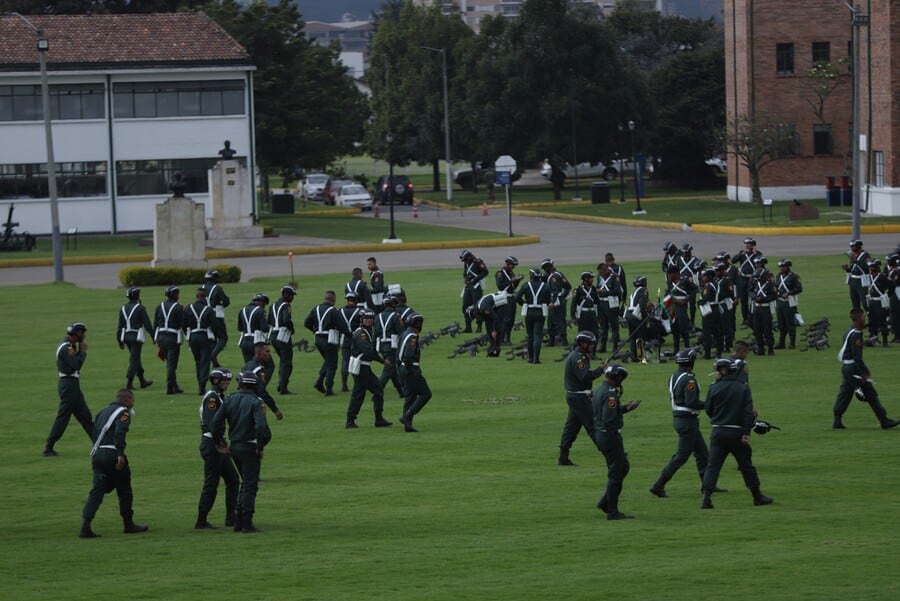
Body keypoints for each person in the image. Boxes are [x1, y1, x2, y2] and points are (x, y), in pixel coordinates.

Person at [700, 358, 773, 510]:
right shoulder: (743, 387)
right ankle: (757, 496)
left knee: (713, 466)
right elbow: (748, 412)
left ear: (724, 371)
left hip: (718, 431)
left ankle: (706, 498)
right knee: (746, 466)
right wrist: (746, 432)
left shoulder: (714, 387)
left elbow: (708, 409)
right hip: (737, 432)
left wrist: (718, 418)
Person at [79, 388, 149, 538]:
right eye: (132, 400)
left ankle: (85, 525)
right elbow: (119, 433)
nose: (133, 403)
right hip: (112, 454)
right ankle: (128, 524)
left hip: (97, 455)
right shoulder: (123, 413)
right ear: (126, 400)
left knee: (97, 491)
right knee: (124, 489)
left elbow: (94, 431)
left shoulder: (102, 412)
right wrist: (120, 454)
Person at [211, 371, 272, 533]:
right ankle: (247, 522)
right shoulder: (256, 402)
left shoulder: (230, 399)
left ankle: (238, 520)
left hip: (235, 446)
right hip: (250, 447)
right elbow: (261, 428)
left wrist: (220, 443)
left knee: (245, 483)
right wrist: (260, 446)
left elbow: (215, 423)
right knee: (250, 485)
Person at [649, 348, 711, 498]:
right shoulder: (689, 379)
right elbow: (691, 402)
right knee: (682, 456)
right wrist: (709, 404)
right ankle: (659, 484)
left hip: (681, 419)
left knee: (703, 454)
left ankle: (708, 485)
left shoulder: (674, 376)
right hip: (687, 420)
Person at [832, 308, 900, 430]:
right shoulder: (857, 334)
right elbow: (857, 357)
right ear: (857, 319)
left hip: (847, 367)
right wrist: (865, 372)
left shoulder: (849, 330)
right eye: (863, 317)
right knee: (871, 394)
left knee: (845, 393)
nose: (865, 319)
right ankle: (884, 420)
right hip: (853, 368)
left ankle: (837, 420)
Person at [592, 364, 641, 520]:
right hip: (609, 436)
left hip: (601, 434)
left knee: (623, 467)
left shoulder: (600, 389)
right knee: (617, 472)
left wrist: (625, 408)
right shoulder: (611, 394)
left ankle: (605, 501)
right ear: (617, 377)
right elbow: (609, 417)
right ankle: (612, 510)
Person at [196, 368, 239, 529]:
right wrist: (220, 444)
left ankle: (230, 517)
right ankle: (201, 520)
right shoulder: (212, 398)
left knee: (233, 480)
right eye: (224, 381)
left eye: (228, 381)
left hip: (216, 443)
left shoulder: (219, 396)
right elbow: (211, 423)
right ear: (215, 381)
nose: (227, 383)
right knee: (211, 483)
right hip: (212, 444)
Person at [44, 322, 93, 457]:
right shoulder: (67, 348)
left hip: (71, 385)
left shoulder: (69, 346)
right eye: (83, 332)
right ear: (77, 333)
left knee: (85, 416)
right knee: (63, 418)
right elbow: (76, 365)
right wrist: (83, 352)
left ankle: (99, 443)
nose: (84, 335)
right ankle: (48, 447)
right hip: (69, 386)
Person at [558, 331, 604, 466]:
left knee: (571, 428)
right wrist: (600, 370)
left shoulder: (580, 356)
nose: (592, 347)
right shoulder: (579, 359)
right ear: (582, 344)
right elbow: (585, 377)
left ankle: (563, 457)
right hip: (580, 397)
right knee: (593, 425)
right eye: (590, 344)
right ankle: (610, 452)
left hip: (574, 396)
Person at [346, 308, 393, 429]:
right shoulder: (361, 334)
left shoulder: (368, 332)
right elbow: (368, 352)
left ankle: (379, 418)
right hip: (361, 367)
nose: (368, 321)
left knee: (377, 390)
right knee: (359, 394)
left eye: (370, 319)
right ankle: (350, 420)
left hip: (364, 367)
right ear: (361, 319)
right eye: (366, 318)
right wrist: (383, 361)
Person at [397, 313, 432, 432]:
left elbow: (399, 354)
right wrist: (412, 371)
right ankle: (407, 416)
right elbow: (408, 355)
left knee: (410, 396)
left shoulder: (404, 333)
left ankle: (408, 425)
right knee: (426, 394)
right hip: (410, 368)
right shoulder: (412, 337)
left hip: (402, 368)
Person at [117, 287, 154, 391]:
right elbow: (147, 324)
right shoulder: (140, 308)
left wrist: (120, 340)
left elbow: (120, 326)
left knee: (136, 358)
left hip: (126, 337)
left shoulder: (123, 308)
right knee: (134, 359)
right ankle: (129, 382)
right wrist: (153, 336)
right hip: (136, 337)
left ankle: (142, 380)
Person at [305, 290, 340, 396]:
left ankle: (319, 381)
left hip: (318, 339)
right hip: (329, 340)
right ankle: (328, 388)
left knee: (328, 360)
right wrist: (349, 335)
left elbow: (306, 322)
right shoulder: (333, 311)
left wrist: (315, 330)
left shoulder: (316, 308)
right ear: (333, 300)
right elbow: (341, 325)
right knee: (332, 364)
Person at [515, 268, 551, 364]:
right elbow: (549, 300)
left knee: (530, 335)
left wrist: (523, 303)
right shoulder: (545, 286)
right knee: (538, 336)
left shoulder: (526, 285)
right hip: (540, 312)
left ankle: (530, 358)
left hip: (529, 311)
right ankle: (536, 358)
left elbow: (517, 297)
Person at [153, 286, 184, 395]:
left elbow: (155, 323)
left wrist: (155, 338)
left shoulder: (159, 306)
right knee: (172, 364)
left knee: (169, 363)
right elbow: (182, 323)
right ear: (174, 294)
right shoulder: (178, 307)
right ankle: (170, 386)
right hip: (172, 337)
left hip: (161, 337)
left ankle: (175, 385)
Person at [184, 287, 215, 395]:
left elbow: (184, 324)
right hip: (204, 336)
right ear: (205, 297)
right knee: (205, 362)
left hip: (193, 336)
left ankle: (200, 384)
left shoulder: (188, 308)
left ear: (196, 296)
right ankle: (202, 385)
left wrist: (188, 335)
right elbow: (214, 324)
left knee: (198, 362)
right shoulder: (208, 309)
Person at [243, 343, 284, 420]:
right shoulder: (258, 370)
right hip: (251, 402)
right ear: (258, 353)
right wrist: (275, 410)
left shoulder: (248, 364)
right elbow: (261, 392)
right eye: (267, 351)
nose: (269, 354)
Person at [376, 295, 406, 399]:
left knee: (392, 370)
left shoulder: (378, 316)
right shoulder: (396, 316)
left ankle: (401, 392)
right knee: (388, 369)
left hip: (381, 346)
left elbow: (375, 334)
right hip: (392, 346)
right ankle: (377, 391)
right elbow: (401, 332)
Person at [269, 285, 297, 394]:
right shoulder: (286, 306)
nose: (292, 298)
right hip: (283, 335)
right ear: (286, 295)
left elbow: (269, 321)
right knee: (287, 362)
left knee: (282, 361)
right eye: (291, 295)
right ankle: (283, 388)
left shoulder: (273, 305)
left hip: (273, 335)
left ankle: (281, 383)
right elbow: (286, 320)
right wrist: (292, 328)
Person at [202, 269, 231, 368]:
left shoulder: (202, 288)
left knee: (212, 339)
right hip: (216, 315)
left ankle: (214, 363)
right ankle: (212, 356)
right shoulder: (217, 288)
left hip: (204, 316)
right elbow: (226, 301)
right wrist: (220, 305)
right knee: (223, 338)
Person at [665, 264, 695, 353]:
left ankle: (687, 347)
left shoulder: (685, 280)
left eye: (671, 274)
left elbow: (694, 290)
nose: (669, 276)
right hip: (673, 307)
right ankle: (676, 349)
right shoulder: (669, 283)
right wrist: (674, 300)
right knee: (674, 328)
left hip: (682, 307)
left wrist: (688, 298)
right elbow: (666, 295)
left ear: (676, 273)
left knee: (683, 328)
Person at [542, 258, 571, 346]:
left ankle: (563, 340)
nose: (544, 270)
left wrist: (554, 301)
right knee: (552, 321)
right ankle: (553, 341)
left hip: (555, 301)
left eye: (545, 268)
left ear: (548, 267)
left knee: (558, 321)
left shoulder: (554, 276)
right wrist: (563, 297)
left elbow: (555, 291)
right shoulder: (559, 274)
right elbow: (568, 286)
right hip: (558, 300)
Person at [774, 259, 803, 349]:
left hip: (789, 302)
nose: (781, 269)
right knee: (781, 323)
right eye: (780, 267)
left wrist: (789, 293)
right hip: (779, 302)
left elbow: (799, 289)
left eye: (783, 267)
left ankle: (792, 343)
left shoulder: (794, 276)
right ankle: (781, 343)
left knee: (790, 323)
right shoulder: (778, 276)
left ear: (787, 267)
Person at [337, 292, 362, 393]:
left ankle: (344, 384)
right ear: (356, 300)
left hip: (344, 339)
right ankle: (358, 383)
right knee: (358, 361)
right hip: (356, 339)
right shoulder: (360, 311)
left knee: (345, 361)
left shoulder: (340, 311)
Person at [734, 237, 762, 326]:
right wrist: (742, 254)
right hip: (743, 278)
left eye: (748, 243)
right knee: (744, 300)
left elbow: (762, 262)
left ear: (753, 244)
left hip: (752, 279)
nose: (746, 245)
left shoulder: (758, 254)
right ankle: (745, 319)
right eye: (746, 244)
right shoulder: (742, 253)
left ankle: (752, 318)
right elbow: (733, 260)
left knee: (753, 299)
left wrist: (755, 253)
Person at [495, 256, 523, 343]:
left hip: (511, 297)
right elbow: (500, 286)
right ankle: (501, 339)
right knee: (505, 320)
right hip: (505, 297)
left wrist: (517, 280)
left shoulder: (511, 273)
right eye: (512, 265)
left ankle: (508, 339)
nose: (513, 267)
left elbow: (513, 287)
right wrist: (512, 280)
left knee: (511, 320)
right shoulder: (500, 273)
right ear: (507, 263)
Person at [595, 263, 622, 353]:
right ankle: (603, 346)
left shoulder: (614, 277)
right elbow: (598, 286)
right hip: (601, 302)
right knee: (603, 325)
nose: (600, 274)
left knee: (614, 325)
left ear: (606, 270)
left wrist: (605, 292)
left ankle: (615, 346)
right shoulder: (599, 277)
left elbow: (618, 291)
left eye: (602, 272)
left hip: (611, 303)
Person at [750, 265, 776, 356]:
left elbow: (774, 296)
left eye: (760, 278)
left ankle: (770, 348)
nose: (758, 280)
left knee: (767, 330)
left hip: (765, 308)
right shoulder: (755, 283)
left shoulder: (770, 284)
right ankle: (760, 348)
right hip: (757, 308)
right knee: (757, 330)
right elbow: (750, 291)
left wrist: (763, 299)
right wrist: (754, 297)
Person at [460, 249, 489, 333]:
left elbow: (485, 272)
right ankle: (468, 327)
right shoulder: (466, 262)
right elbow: (466, 272)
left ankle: (479, 327)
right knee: (465, 307)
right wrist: (465, 278)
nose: (465, 261)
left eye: (465, 259)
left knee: (477, 307)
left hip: (476, 287)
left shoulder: (478, 261)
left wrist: (475, 280)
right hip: (468, 286)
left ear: (469, 256)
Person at [625, 276, 652, 362]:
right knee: (640, 336)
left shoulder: (635, 291)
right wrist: (645, 316)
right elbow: (642, 305)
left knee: (632, 336)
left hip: (629, 314)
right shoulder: (644, 290)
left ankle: (634, 356)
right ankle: (640, 356)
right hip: (636, 315)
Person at [698, 268, 724, 359]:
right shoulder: (716, 284)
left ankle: (707, 354)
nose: (702, 278)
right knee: (718, 332)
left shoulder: (708, 286)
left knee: (707, 333)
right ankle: (719, 352)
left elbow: (705, 298)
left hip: (709, 310)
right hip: (716, 308)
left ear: (709, 276)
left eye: (704, 276)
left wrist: (699, 302)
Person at [237, 293, 270, 365]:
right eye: (264, 304)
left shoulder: (242, 310)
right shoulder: (261, 311)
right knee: (268, 365)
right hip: (256, 342)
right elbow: (264, 328)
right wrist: (269, 326)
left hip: (244, 341)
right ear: (261, 302)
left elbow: (240, 328)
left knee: (248, 365)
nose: (264, 306)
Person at [865, 260, 890, 347]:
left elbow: (890, 286)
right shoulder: (870, 276)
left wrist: (886, 295)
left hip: (880, 302)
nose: (871, 268)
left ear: (877, 267)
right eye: (870, 267)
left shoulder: (882, 276)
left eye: (872, 266)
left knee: (882, 321)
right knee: (872, 321)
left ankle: (885, 341)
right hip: (872, 301)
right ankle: (872, 339)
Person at [571, 271, 600, 344]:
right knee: (583, 334)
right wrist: (574, 317)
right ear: (585, 278)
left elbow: (597, 303)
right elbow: (573, 304)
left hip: (592, 314)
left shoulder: (593, 289)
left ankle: (593, 352)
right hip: (583, 314)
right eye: (590, 278)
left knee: (595, 333)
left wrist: (599, 316)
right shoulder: (578, 290)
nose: (592, 280)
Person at [842, 239, 871, 312]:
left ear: (858, 246)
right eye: (851, 246)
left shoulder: (865, 255)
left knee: (865, 302)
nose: (851, 248)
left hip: (862, 281)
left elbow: (866, 268)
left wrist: (855, 260)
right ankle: (858, 320)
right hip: (853, 281)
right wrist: (847, 269)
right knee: (854, 302)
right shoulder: (853, 255)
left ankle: (871, 318)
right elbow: (854, 270)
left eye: (853, 246)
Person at [887, 253, 900, 343]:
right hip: (895, 293)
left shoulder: (896, 270)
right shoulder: (895, 270)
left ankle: (897, 336)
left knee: (895, 315)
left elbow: (891, 280)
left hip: (896, 293)